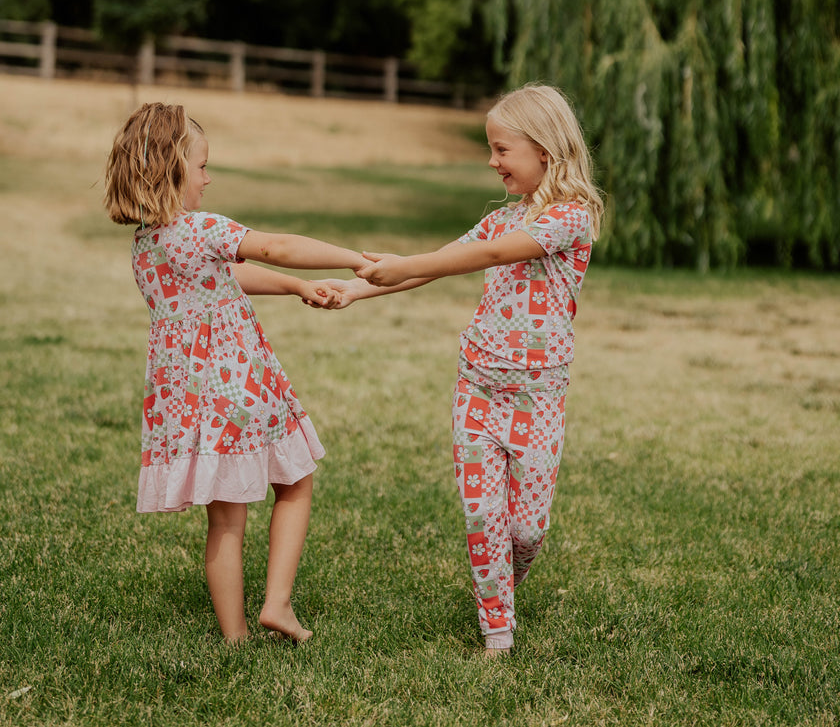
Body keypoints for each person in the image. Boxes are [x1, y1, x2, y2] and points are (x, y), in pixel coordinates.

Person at [336, 83, 603, 656]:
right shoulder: (498, 219)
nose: (492, 161)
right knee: (485, 518)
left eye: (502, 149)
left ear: (545, 150)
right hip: (478, 389)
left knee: (527, 531)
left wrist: (408, 261)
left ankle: (502, 583)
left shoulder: (571, 218)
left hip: (538, 399)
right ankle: (497, 632)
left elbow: (490, 255)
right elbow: (439, 265)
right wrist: (358, 289)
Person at [103, 102, 362, 644]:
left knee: (223, 522)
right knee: (295, 481)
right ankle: (278, 603)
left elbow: (229, 277)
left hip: (192, 404)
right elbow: (274, 246)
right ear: (174, 170)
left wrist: (294, 287)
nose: (207, 177)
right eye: (201, 166)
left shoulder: (147, 246)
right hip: (240, 388)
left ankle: (236, 636)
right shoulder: (202, 228)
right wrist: (354, 258)